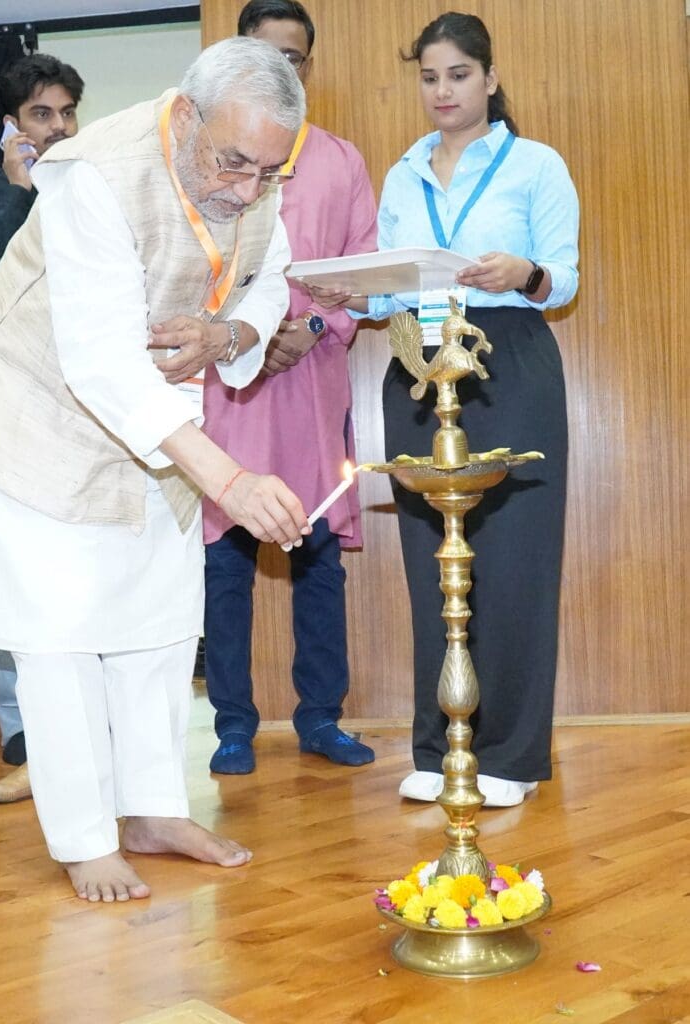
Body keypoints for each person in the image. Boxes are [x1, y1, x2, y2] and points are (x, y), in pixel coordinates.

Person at [0, 36, 310, 902]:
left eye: (266, 172)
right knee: (59, 638)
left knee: (159, 623)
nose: (248, 190)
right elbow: (100, 364)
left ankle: (149, 808)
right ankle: (82, 837)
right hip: (32, 427)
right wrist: (232, 481)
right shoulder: (90, 175)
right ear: (184, 116)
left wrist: (228, 336)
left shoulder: (250, 169)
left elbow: (271, 277)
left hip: (153, 433)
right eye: (234, 164)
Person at [309, 12, 579, 807]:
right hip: (416, 361)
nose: (442, 92)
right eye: (429, 77)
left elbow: (562, 278)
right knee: (433, 557)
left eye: (457, 75)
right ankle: (438, 746)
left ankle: (512, 757)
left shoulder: (534, 164)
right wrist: (351, 292)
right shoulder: (402, 173)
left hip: (509, 360)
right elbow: (396, 283)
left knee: (517, 561)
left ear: (488, 78)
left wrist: (522, 271)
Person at [200, 0, 378, 775]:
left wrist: (306, 331)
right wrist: (243, 338)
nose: (283, 68)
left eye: (295, 57)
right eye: (266, 53)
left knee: (315, 560)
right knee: (226, 560)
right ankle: (232, 726)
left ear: (309, 66)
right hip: (228, 388)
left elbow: (364, 274)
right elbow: (185, 266)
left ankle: (319, 718)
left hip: (309, 383)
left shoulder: (340, 160)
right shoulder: (208, 158)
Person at [0, 53, 85, 804]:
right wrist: (20, 195)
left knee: (76, 572)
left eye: (66, 113)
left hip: (81, 409)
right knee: (14, 571)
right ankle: (24, 735)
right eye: (40, 114)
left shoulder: (93, 192)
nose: (58, 128)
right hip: (4, 411)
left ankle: (88, 735)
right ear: (9, 124)